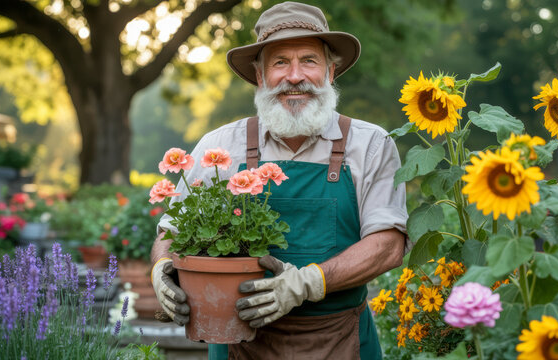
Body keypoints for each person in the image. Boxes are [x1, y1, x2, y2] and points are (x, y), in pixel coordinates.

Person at [150, 2, 408, 359]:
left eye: (309, 60)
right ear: (260, 77)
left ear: (331, 72)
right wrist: (162, 268)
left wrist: (307, 282)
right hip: (239, 341)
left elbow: (388, 245)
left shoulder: (371, 145)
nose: (295, 76)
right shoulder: (220, 147)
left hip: (340, 340)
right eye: (280, 62)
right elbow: (171, 232)